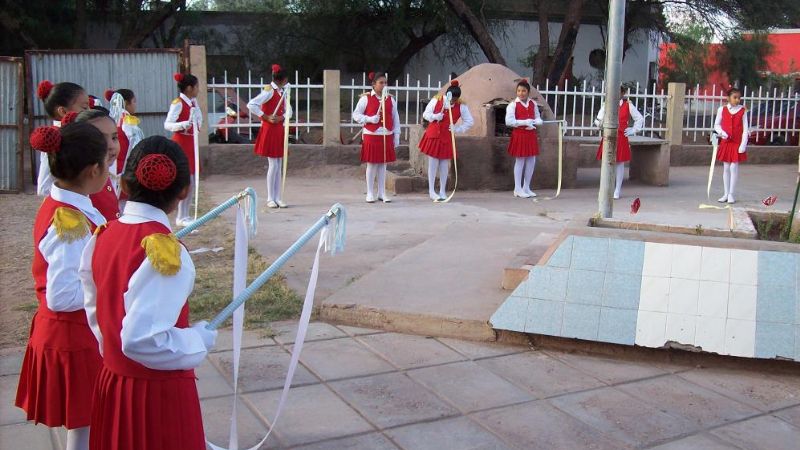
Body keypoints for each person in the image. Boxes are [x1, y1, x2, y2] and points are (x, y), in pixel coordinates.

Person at [79, 136, 217, 450]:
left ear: (126, 182)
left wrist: (109, 350)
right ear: (183, 191)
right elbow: (142, 340)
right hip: (156, 393)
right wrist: (198, 339)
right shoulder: (163, 251)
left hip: (115, 379)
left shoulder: (104, 232)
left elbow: (93, 305)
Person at [16, 122, 109, 450]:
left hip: (76, 333)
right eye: (107, 163)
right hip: (72, 336)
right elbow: (61, 295)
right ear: (93, 170)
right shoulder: (67, 221)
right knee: (84, 425)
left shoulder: (72, 206)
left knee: (86, 424)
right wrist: (111, 286)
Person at [419, 80, 474, 201]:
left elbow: (470, 121)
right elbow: (425, 114)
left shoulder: (461, 106)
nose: (452, 102)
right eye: (451, 99)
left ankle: (442, 190)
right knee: (433, 163)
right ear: (447, 95)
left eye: (455, 100)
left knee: (444, 164)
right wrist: (434, 116)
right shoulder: (437, 100)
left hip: (447, 137)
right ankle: (431, 190)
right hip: (434, 135)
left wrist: (458, 128)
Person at [248, 64, 293, 208]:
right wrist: (265, 116)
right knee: (273, 164)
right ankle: (270, 198)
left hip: (279, 129)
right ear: (283, 79)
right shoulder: (268, 91)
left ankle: (278, 197)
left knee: (279, 164)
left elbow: (289, 111)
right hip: (269, 130)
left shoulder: (282, 92)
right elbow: (251, 104)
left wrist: (282, 117)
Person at [35, 80, 90, 196]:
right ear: (63, 111)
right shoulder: (55, 139)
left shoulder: (82, 133)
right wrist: (75, 193)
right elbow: (43, 188)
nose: (89, 112)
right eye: (84, 108)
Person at [352, 71, 400, 203]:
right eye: (381, 83)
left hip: (386, 134)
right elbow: (356, 115)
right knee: (372, 164)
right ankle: (370, 192)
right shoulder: (365, 98)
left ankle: (382, 192)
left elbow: (396, 118)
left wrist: (397, 135)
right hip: (371, 135)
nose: (384, 85)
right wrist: (369, 119)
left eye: (385, 83)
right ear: (374, 84)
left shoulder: (390, 99)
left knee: (383, 165)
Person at [164, 72, 202, 227]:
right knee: (185, 180)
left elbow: (199, 119)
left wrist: (196, 123)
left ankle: (186, 214)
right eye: (196, 86)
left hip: (191, 142)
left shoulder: (193, 102)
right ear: (189, 88)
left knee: (192, 180)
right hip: (181, 143)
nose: (198, 89)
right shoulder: (178, 103)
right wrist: (183, 125)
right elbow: (167, 124)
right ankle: (180, 216)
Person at [594, 86, 644, 199]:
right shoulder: (607, 104)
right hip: (609, 136)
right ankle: (605, 189)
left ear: (622, 94)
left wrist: (633, 130)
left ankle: (617, 190)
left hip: (621, 136)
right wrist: (601, 125)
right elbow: (597, 120)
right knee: (606, 162)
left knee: (620, 163)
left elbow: (639, 118)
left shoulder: (628, 105)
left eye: (619, 93)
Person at [71, 109, 122, 221]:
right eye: (100, 139)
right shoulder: (82, 183)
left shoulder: (103, 173)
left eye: (114, 138)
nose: (111, 146)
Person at [505, 78, 543, 198]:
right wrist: (524, 122)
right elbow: (509, 121)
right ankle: (517, 188)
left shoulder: (533, 103)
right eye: (519, 91)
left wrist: (538, 120)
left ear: (528, 92)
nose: (521, 93)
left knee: (531, 160)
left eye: (524, 91)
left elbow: (537, 116)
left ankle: (526, 187)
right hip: (520, 135)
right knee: (520, 161)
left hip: (531, 135)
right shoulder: (513, 105)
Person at [713, 87, 749, 204]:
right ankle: (725, 193)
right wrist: (722, 133)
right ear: (728, 98)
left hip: (737, 143)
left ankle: (731, 194)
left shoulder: (743, 110)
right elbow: (716, 125)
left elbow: (745, 129)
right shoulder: (721, 109)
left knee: (734, 167)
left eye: (739, 98)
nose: (737, 100)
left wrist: (743, 144)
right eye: (735, 97)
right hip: (726, 142)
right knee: (726, 168)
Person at [106, 88, 144, 178]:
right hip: (126, 165)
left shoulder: (111, 119)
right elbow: (136, 143)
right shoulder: (127, 119)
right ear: (126, 103)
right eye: (134, 101)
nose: (135, 105)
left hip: (113, 164)